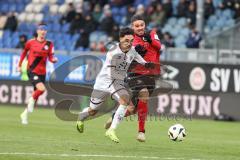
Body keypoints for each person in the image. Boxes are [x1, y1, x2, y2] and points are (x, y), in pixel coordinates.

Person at [76, 27, 154, 143]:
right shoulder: (113, 51)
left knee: (126, 102)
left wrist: (147, 64)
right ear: (120, 39)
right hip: (104, 82)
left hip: (117, 82)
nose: (129, 43)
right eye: (126, 40)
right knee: (93, 111)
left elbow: (140, 60)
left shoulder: (132, 50)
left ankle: (111, 130)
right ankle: (82, 116)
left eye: (131, 41)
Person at [105, 15, 161, 142]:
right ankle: (141, 132)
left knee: (132, 109)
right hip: (135, 74)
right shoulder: (131, 39)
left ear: (145, 25)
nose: (140, 28)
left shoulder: (152, 34)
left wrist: (150, 41)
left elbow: (159, 46)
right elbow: (125, 51)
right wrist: (135, 49)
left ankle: (114, 117)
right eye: (137, 26)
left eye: (142, 25)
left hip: (151, 74)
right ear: (132, 27)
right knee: (144, 94)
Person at [18, 23, 58, 124]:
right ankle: (31, 101)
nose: (43, 31)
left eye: (45, 30)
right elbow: (23, 53)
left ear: (46, 32)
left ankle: (24, 114)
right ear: (37, 31)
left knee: (36, 95)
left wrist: (54, 60)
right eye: (41, 29)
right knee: (42, 89)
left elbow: (51, 57)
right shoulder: (30, 43)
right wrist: (19, 65)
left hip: (42, 72)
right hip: (32, 70)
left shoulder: (49, 44)